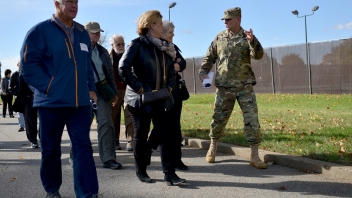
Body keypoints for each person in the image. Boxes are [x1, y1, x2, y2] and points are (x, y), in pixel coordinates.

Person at [20, 0, 99, 197]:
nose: (74, 5)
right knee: (51, 151)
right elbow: (28, 67)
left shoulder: (82, 33)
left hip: (79, 104)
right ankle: (52, 190)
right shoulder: (39, 32)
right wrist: (48, 87)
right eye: (69, 1)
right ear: (56, 3)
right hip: (50, 103)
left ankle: (87, 193)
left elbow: (87, 66)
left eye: (77, 1)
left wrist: (91, 88)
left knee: (83, 148)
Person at [119, 10, 186, 185]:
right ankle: (141, 171)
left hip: (161, 97)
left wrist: (170, 87)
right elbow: (123, 68)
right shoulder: (136, 44)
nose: (163, 25)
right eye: (160, 21)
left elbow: (172, 69)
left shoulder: (164, 46)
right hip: (140, 99)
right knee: (140, 134)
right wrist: (141, 88)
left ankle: (169, 173)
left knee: (166, 133)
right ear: (152, 25)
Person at [199, 7, 267, 169]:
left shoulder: (247, 37)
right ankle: (213, 147)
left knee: (252, 121)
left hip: (245, 86)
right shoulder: (219, 37)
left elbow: (258, 55)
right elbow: (210, 57)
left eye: (228, 19)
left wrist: (252, 42)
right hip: (224, 87)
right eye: (224, 20)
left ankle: (254, 155)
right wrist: (203, 72)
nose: (225, 22)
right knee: (218, 119)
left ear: (238, 19)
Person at [84, 21, 122, 170]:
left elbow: (110, 74)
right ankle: (77, 156)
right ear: (85, 33)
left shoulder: (103, 51)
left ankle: (108, 158)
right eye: (93, 31)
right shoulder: (77, 49)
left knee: (106, 123)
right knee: (82, 125)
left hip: (102, 90)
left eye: (98, 31)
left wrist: (113, 92)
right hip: (83, 91)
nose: (97, 34)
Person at [160, 20, 188, 170]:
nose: (173, 35)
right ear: (162, 32)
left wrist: (176, 65)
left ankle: (177, 159)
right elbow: (165, 67)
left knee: (176, 127)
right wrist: (172, 66)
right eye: (171, 32)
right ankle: (166, 161)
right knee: (165, 127)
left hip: (176, 92)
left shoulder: (173, 47)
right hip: (163, 93)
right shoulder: (157, 46)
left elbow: (182, 63)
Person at [109, 34, 134, 151]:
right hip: (114, 91)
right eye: (118, 44)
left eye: (123, 44)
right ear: (112, 45)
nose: (121, 46)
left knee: (130, 115)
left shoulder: (128, 55)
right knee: (114, 116)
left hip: (128, 89)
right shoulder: (107, 57)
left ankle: (130, 141)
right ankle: (115, 142)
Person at [9, 61, 25, 132]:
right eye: (20, 63)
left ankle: (30, 127)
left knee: (29, 112)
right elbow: (10, 87)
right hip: (19, 96)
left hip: (29, 95)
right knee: (20, 112)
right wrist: (16, 93)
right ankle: (21, 126)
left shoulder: (29, 72)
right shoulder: (15, 74)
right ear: (18, 65)